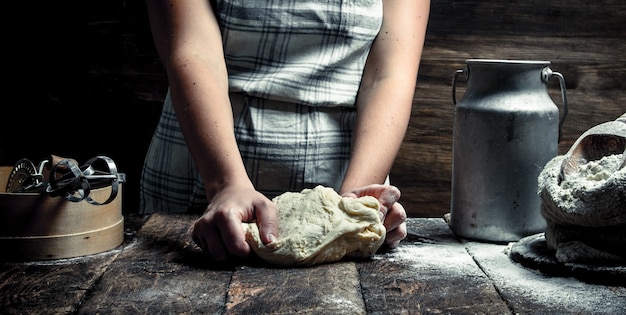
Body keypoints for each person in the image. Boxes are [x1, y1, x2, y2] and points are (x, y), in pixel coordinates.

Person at [141, 0, 430, 262]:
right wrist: (224, 184)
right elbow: (194, 51)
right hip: (205, 178)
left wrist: (355, 205)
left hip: (347, 178)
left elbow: (390, 74)